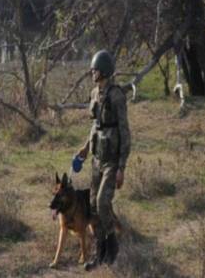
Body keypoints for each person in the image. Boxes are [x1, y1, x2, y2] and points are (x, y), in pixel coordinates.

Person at [77, 50, 131, 271]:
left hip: (111, 162)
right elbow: (96, 125)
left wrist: (121, 168)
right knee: (92, 207)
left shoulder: (117, 96)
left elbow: (125, 132)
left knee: (102, 202)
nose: (92, 72)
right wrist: (86, 147)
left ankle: (112, 248)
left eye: (95, 69)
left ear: (105, 71)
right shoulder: (94, 94)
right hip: (97, 158)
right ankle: (99, 253)